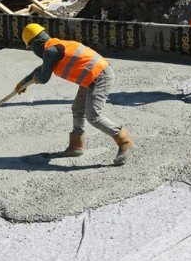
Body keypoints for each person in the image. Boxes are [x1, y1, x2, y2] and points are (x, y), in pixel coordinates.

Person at [16, 24, 134, 165]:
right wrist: (24, 82)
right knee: (78, 109)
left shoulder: (50, 51)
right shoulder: (53, 46)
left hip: (99, 75)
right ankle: (75, 147)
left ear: (34, 44)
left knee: (94, 116)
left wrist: (33, 80)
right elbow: (42, 68)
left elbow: (43, 78)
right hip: (91, 77)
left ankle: (124, 141)